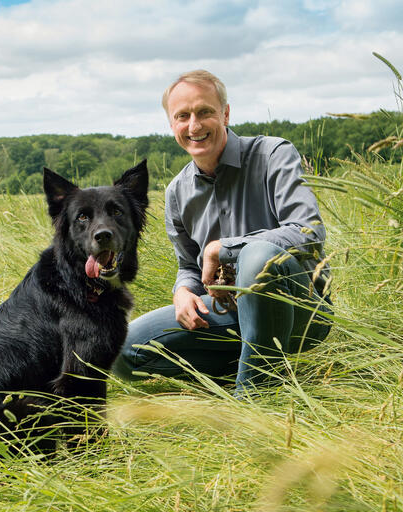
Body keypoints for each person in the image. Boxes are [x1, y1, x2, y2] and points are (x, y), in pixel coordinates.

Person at [112, 70, 332, 396]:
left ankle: (253, 399)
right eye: (182, 116)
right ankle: (244, 368)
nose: (194, 126)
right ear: (172, 125)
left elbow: (309, 230)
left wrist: (223, 248)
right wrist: (183, 292)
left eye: (205, 112)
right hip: (229, 315)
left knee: (258, 255)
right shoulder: (176, 193)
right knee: (123, 348)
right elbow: (188, 266)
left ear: (225, 113)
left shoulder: (273, 155)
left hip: (301, 309)